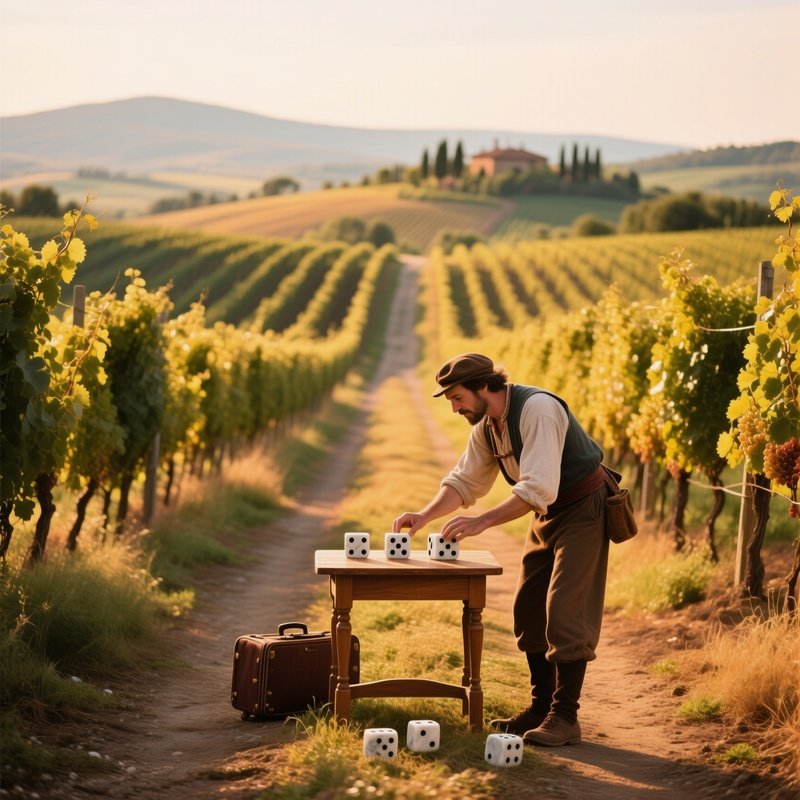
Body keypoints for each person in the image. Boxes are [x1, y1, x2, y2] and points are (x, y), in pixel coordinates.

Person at [392, 352, 610, 747]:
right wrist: (422, 516)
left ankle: (565, 717)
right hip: (547, 513)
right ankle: (540, 706)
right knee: (528, 609)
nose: (456, 408)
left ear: (482, 387)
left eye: (457, 398)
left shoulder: (538, 409)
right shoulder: (488, 425)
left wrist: (481, 523)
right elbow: (465, 481)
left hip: (583, 508)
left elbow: (538, 488)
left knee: (565, 609)